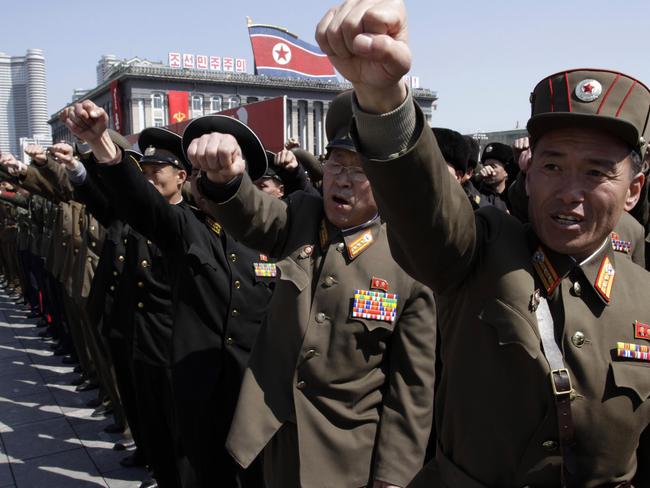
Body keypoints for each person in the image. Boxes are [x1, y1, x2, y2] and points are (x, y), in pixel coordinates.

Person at [316, 1, 650, 486]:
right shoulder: (481, 250)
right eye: (553, 166)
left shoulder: (643, 295)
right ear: (529, 174)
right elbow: (428, 212)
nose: (569, 192)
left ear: (634, 191)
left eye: (597, 172)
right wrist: (383, 99)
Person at [187, 92, 436, 488]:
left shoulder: (409, 264)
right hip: (274, 434)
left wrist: (394, 477)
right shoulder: (301, 215)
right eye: (337, 162)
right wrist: (228, 178)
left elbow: (412, 389)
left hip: (345, 457)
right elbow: (253, 213)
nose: (344, 178)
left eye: (361, 169)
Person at [60, 101, 275, 488]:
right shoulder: (186, 227)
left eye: (224, 168)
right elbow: (143, 205)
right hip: (200, 399)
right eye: (203, 171)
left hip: (258, 400)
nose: (211, 178)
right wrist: (101, 145)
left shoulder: (273, 238)